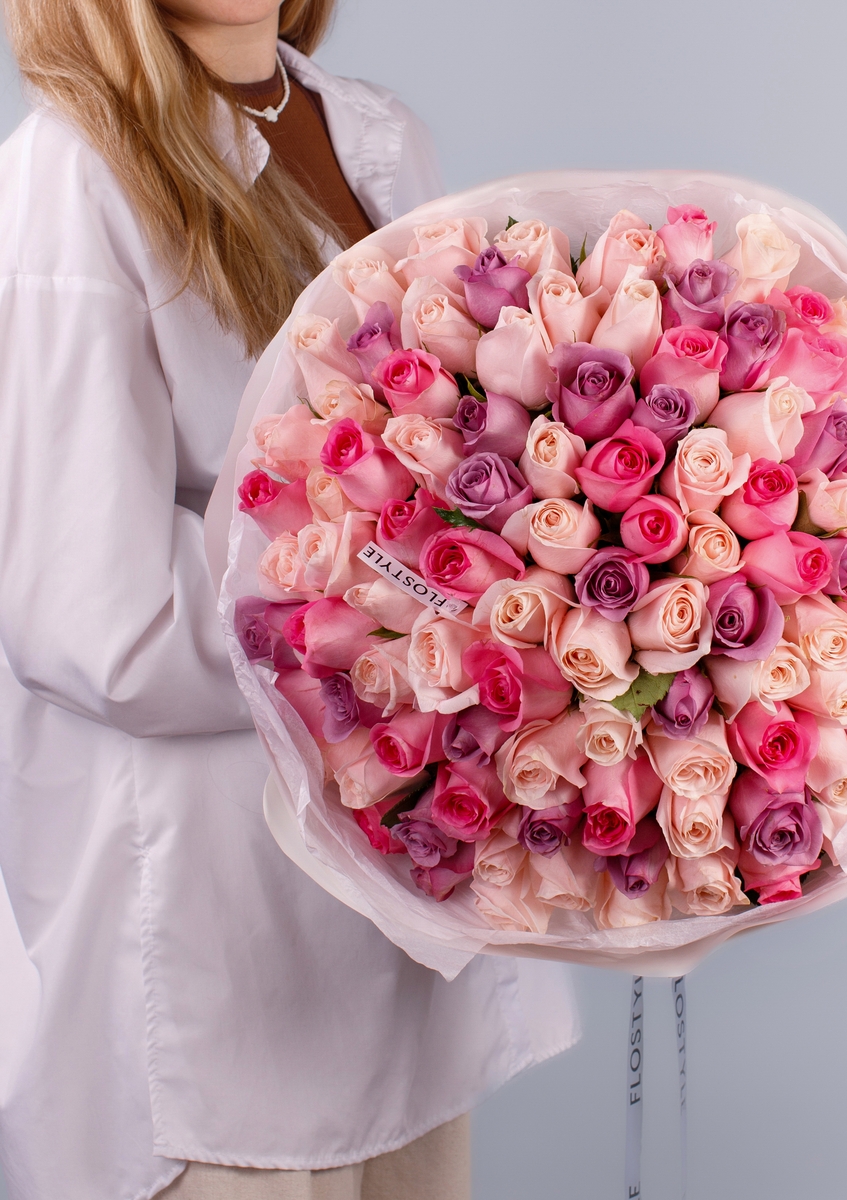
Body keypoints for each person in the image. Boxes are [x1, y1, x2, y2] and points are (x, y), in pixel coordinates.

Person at [0, 2, 578, 1198]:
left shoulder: (376, 134)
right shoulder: (75, 171)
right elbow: (93, 615)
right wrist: (407, 619)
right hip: (211, 938)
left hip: (394, 922)